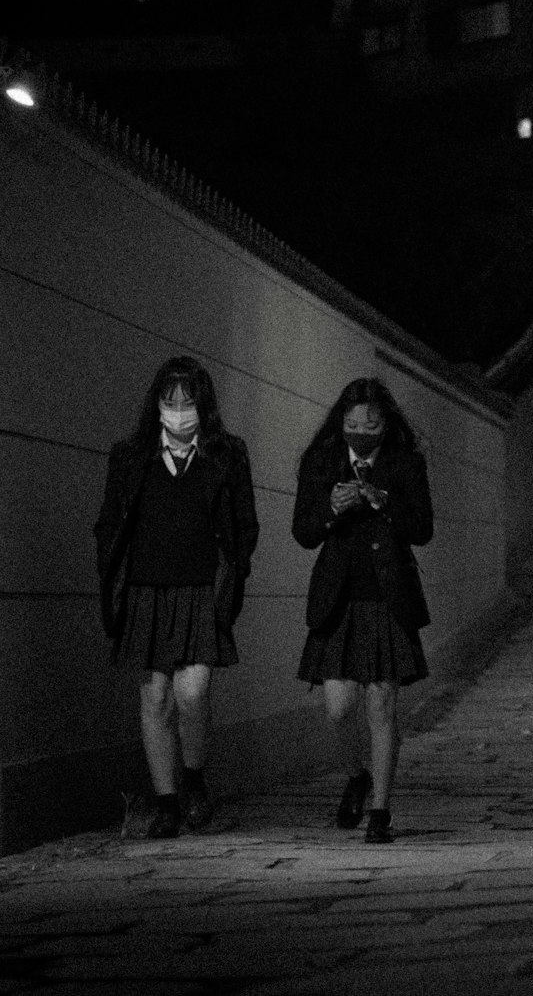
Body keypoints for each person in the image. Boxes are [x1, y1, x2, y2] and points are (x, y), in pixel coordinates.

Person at [94, 357, 259, 839]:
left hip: (202, 589)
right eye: (171, 402)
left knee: (194, 691)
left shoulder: (227, 455)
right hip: (146, 589)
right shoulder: (130, 456)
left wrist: (236, 564)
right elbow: (110, 522)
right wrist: (112, 572)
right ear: (158, 406)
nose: (180, 411)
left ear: (204, 407)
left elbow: (244, 524)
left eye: (189, 402)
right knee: (157, 696)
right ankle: (166, 802)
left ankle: (194, 776)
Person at [292, 378, 433, 845]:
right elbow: (305, 531)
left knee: (381, 702)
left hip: (389, 596)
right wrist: (332, 509)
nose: (360, 432)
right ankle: (356, 774)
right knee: (338, 706)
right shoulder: (321, 462)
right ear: (341, 424)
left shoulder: (405, 463)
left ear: (385, 424)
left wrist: (384, 502)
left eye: (370, 424)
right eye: (352, 424)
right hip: (339, 597)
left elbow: (423, 528)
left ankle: (381, 812)